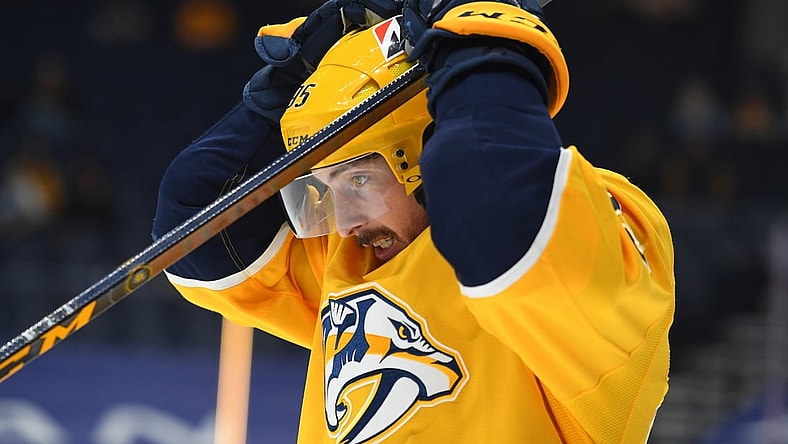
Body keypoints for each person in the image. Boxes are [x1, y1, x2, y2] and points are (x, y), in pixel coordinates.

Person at [153, 0, 676, 442]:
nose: (344, 223)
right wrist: (284, 96)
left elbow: (501, 214)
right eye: (325, 189)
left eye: (358, 180)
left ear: (425, 154)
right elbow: (195, 237)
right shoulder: (356, 254)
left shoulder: (611, 218)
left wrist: (479, 31)